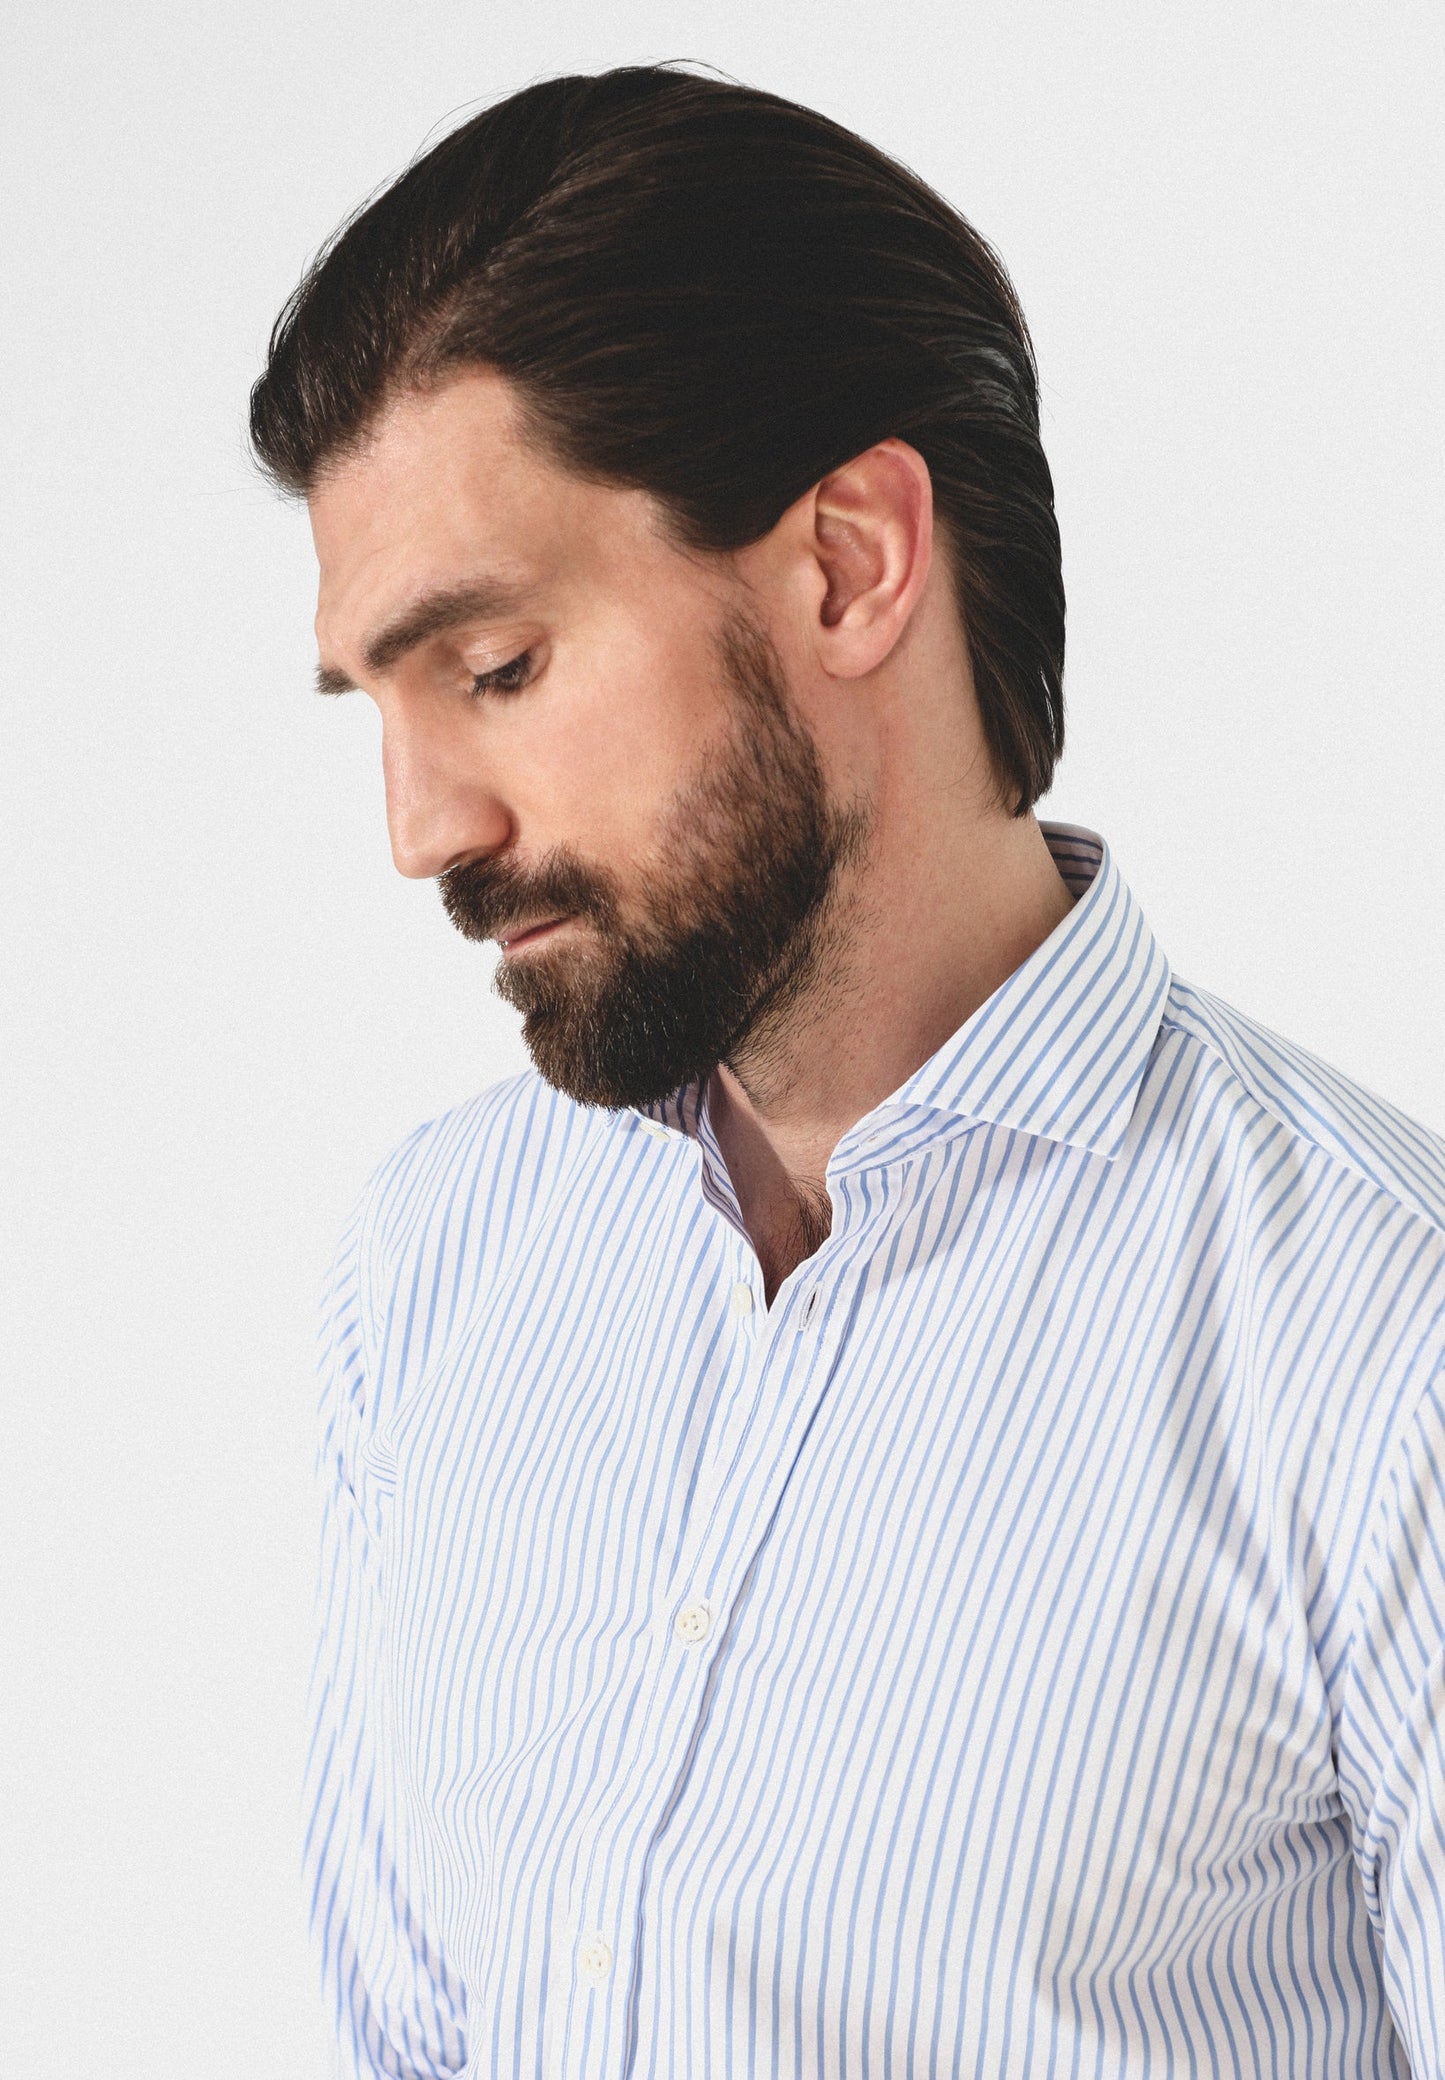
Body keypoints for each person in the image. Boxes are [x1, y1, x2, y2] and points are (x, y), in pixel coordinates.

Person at [252, 65, 1445, 2079]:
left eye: (497, 668)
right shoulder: (433, 1266)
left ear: (849, 563)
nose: (422, 826)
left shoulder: (1384, 1341)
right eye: (375, 703)